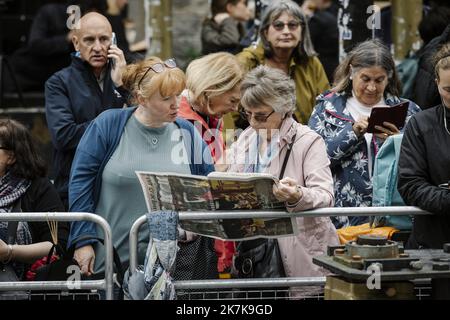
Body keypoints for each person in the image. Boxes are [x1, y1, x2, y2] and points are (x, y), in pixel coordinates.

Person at [67, 56, 218, 283]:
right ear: (141, 98)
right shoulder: (108, 125)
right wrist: (83, 240)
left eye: (178, 94)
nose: (176, 103)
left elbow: (208, 185)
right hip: (112, 261)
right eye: (166, 98)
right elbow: (80, 184)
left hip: (175, 265)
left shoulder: (187, 132)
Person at [223, 65, 338, 297]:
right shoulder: (247, 136)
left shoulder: (308, 140)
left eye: (261, 115)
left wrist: (297, 195)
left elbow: (325, 195)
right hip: (255, 252)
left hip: (301, 255)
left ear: (284, 109)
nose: (253, 122)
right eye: (247, 113)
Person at [308, 39, 421, 228]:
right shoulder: (326, 109)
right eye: (366, 79)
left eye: (379, 80)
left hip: (394, 215)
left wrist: (396, 142)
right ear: (352, 73)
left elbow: (421, 162)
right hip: (342, 216)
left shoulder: (408, 111)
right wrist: (352, 133)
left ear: (389, 77)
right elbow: (313, 160)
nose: (372, 87)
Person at [45, 12, 128, 209]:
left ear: (113, 40)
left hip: (120, 185)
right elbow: (64, 136)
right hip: (74, 184)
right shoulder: (58, 82)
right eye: (89, 40)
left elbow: (143, 123)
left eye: (104, 39)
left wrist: (123, 85)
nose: (98, 47)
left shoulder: (125, 77)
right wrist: (117, 125)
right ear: (76, 43)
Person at [178, 52, 243, 275]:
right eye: (233, 100)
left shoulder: (213, 115)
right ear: (213, 89)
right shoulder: (178, 119)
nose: (236, 108)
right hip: (191, 237)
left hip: (215, 232)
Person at [236, 0, 329, 127]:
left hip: (303, 140)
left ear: (302, 31)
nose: (286, 31)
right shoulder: (245, 62)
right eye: (278, 25)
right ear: (265, 32)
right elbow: (229, 115)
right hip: (253, 140)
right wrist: (234, 145)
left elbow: (326, 106)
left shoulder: (311, 63)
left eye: (293, 25)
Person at [0, 119, 69, 280]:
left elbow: (57, 244)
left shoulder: (38, 188)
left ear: (11, 157)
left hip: (22, 284)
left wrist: (9, 251)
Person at [398, 43, 450, 250]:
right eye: (448, 89)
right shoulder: (421, 124)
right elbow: (410, 184)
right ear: (436, 83)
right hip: (436, 239)